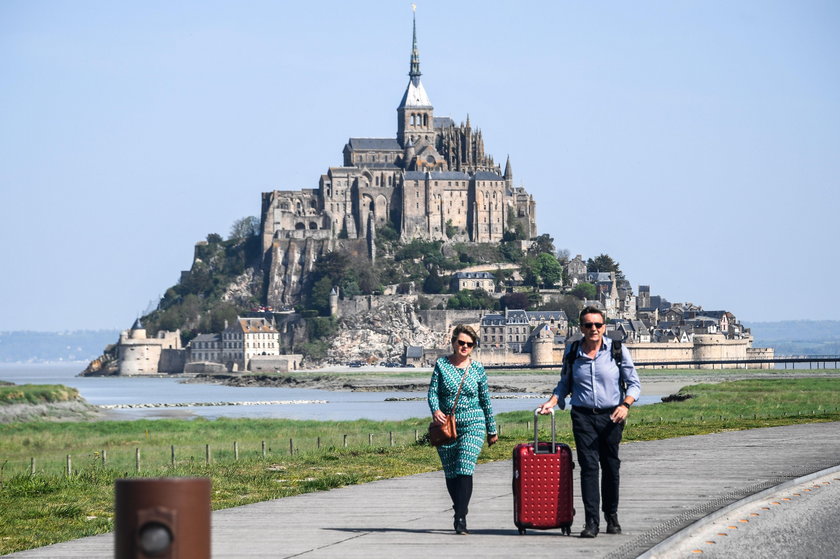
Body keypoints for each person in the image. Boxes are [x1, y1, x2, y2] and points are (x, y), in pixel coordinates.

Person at [538, 306, 641, 538]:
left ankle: (611, 516)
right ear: (581, 328)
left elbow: (634, 383)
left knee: (611, 466)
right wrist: (552, 401)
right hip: (583, 415)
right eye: (588, 325)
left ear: (604, 327)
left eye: (597, 324)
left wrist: (625, 405)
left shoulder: (617, 350)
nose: (593, 329)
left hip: (611, 415)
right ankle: (591, 522)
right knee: (589, 468)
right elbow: (564, 382)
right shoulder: (573, 351)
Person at [428, 324, 498, 535]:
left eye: (470, 344)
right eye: (461, 343)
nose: (465, 347)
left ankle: (460, 517)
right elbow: (432, 392)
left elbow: (485, 400)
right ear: (453, 343)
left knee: (464, 467)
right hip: (447, 425)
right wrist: (435, 410)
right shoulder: (441, 364)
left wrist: (491, 429)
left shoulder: (477, 369)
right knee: (450, 472)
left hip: (474, 424)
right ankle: (459, 508)